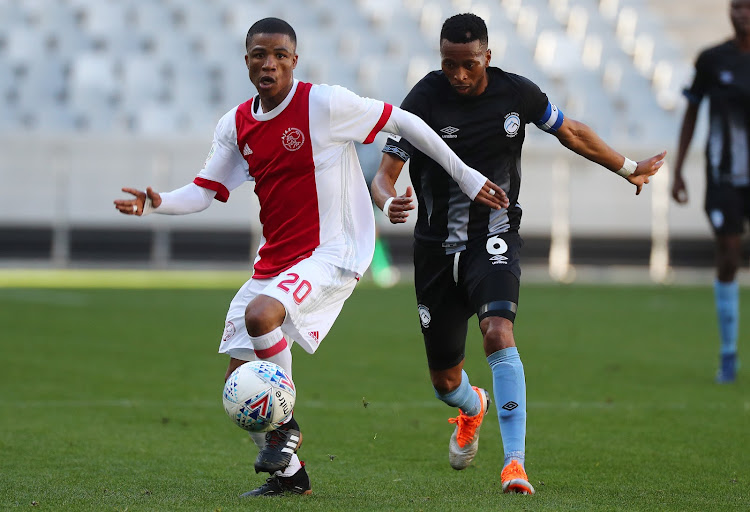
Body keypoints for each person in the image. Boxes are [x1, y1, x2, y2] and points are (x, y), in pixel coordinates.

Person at [114, 17, 507, 497]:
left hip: (333, 251)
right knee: (240, 385)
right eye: (260, 54)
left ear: (294, 61)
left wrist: (466, 176)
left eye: (280, 54)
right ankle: (290, 476)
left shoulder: (323, 104)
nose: (269, 63)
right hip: (276, 261)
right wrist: (158, 202)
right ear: (247, 61)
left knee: (262, 317)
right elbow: (204, 191)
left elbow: (404, 122)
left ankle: (285, 430)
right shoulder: (236, 125)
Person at [371, 13, 665, 495]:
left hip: (495, 236)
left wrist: (628, 167)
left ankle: (514, 465)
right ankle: (472, 408)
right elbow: (384, 174)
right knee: (446, 381)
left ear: (487, 55)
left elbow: (570, 131)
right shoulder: (422, 99)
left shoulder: (516, 94)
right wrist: (388, 200)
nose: (458, 75)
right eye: (449, 65)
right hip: (435, 251)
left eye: (467, 64)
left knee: (497, 331)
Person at [672, 0, 750, 384]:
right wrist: (679, 169)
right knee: (729, 254)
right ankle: (729, 353)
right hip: (724, 178)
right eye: (736, 7)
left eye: (747, 8)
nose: (740, 14)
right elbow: (691, 111)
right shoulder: (712, 59)